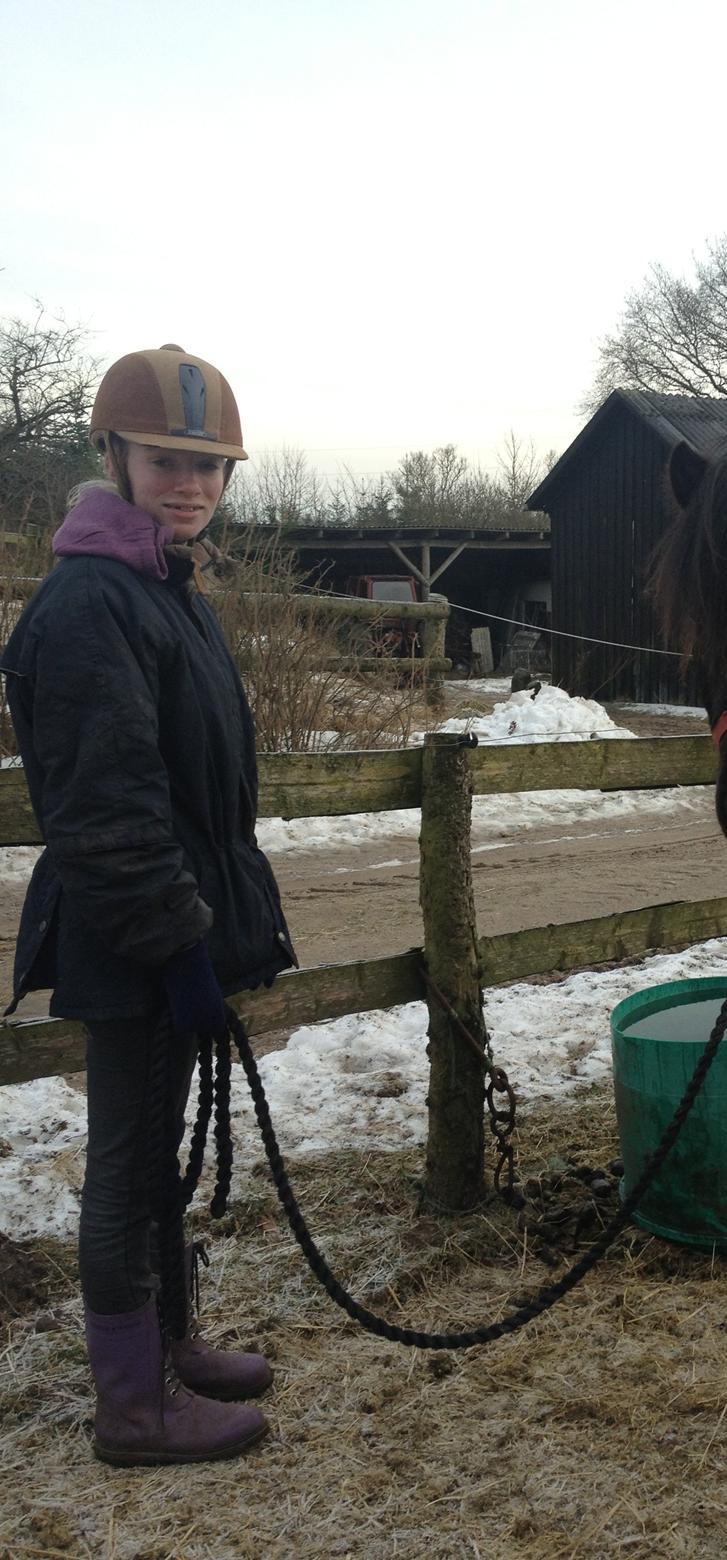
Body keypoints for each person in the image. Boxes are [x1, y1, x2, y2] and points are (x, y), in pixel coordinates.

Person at [3, 345, 297, 1465]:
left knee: (159, 1147)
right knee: (127, 1163)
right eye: (171, 460)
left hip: (174, 929)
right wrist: (179, 952)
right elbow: (111, 810)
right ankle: (131, 1406)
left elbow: (202, 792)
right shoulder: (92, 605)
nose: (192, 485)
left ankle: (170, 1346)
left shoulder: (168, 591)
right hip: (134, 936)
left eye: (211, 466)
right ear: (115, 456)